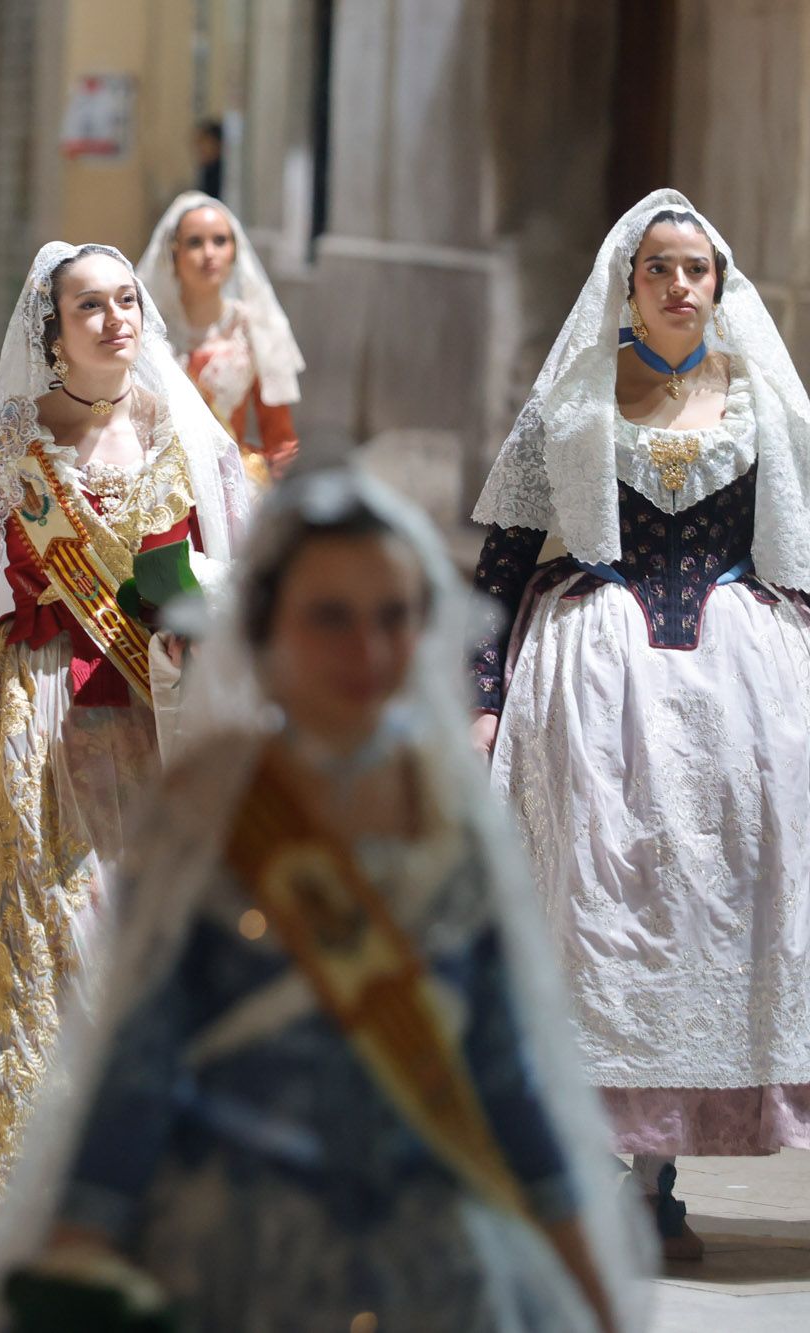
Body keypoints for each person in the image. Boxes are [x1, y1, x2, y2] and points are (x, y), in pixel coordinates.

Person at [0, 468, 648, 1333]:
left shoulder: (454, 817)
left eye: (394, 617)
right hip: (239, 1255)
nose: (368, 651)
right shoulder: (205, 811)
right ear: (264, 631)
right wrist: (80, 1237)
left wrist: (588, 1286)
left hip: (435, 1263)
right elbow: (140, 1060)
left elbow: (503, 1069)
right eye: (331, 617)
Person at [0, 241, 250, 1271]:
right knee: (36, 935)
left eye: (127, 301)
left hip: (148, 715)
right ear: (50, 329)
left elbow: (233, 569)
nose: (116, 320)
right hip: (33, 710)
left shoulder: (179, 430)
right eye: (90, 307)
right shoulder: (5, 443)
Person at [470, 189, 810, 1263]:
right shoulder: (568, 405)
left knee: (710, 909)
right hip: (593, 686)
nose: (676, 286)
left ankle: (661, 1174)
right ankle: (610, 1172)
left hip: (734, 691)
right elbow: (500, 563)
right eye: (657, 269)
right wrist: (481, 693)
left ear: (718, 286)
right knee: (600, 907)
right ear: (626, 283)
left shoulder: (760, 402)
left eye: (694, 271)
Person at [137, 191, 303, 483]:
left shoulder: (255, 328)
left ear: (234, 251)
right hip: (157, 482)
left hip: (231, 481)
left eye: (220, 241)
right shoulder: (146, 330)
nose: (209, 253)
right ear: (173, 253)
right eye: (195, 242)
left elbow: (279, 436)